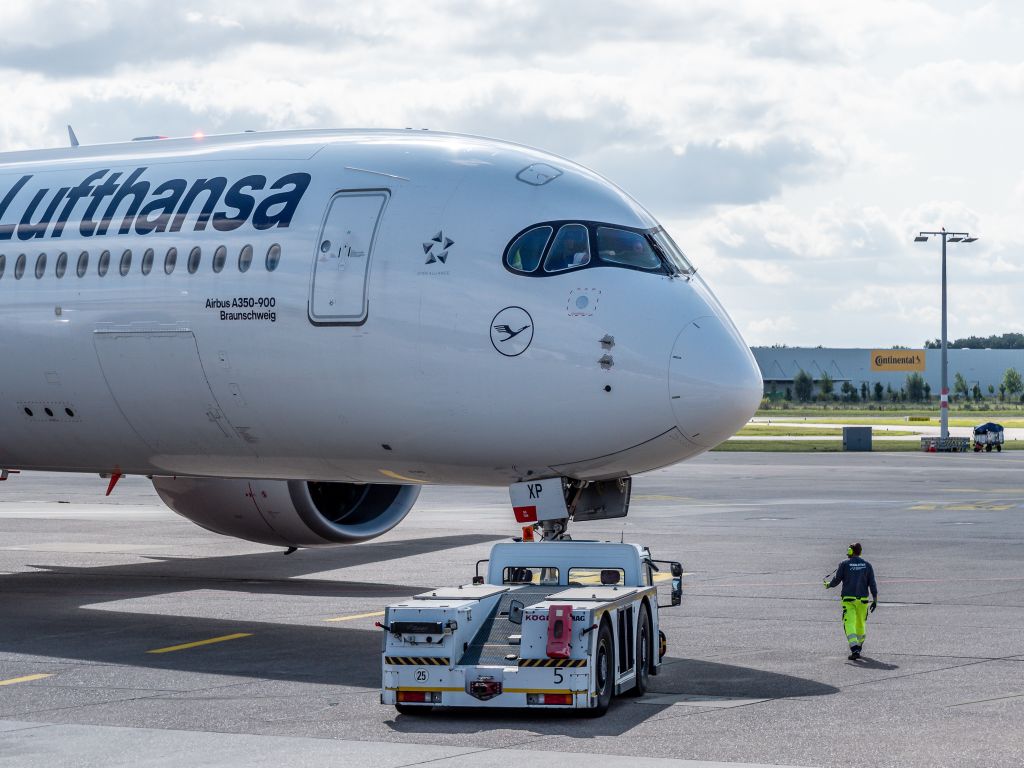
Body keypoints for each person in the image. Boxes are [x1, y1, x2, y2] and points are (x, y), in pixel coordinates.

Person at [824, 542, 878, 660]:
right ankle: (859, 646)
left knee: (849, 623)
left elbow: (836, 580)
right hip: (863, 601)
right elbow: (872, 584)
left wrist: (829, 585)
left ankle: (854, 649)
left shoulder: (844, 564)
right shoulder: (867, 565)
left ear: (850, 551)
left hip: (849, 600)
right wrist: (875, 600)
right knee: (860, 624)